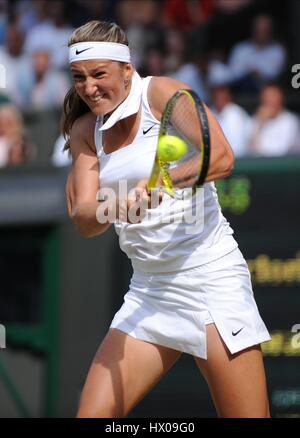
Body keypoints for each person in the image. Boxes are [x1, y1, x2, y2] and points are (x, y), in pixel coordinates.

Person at [64, 20, 271, 418]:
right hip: (150, 292)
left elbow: (222, 156)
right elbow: (83, 219)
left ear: (128, 69)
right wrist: (118, 205)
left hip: (212, 282)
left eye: (99, 74)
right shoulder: (86, 130)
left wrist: (162, 182)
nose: (89, 87)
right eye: (79, 77)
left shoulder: (161, 93)